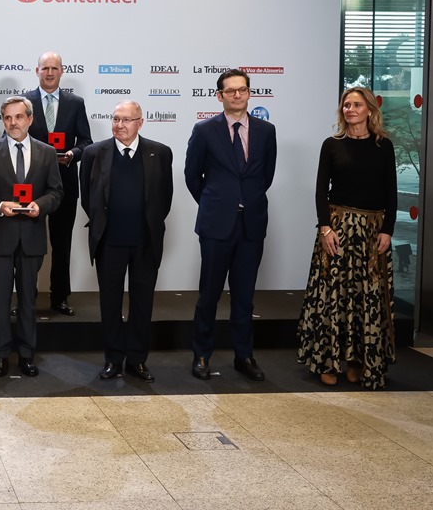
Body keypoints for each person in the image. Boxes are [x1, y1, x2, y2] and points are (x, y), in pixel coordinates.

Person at [297, 87, 397, 390]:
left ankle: (358, 361)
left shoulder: (384, 146)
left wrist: (387, 230)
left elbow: (391, 193)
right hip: (337, 229)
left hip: (371, 233)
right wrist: (324, 228)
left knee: (366, 297)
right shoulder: (332, 144)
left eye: (356, 104)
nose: (349, 109)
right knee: (332, 297)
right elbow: (319, 191)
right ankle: (328, 361)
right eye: (346, 104)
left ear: (369, 109)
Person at [185, 68, 277, 381]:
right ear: (219, 95)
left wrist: (244, 201)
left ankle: (244, 356)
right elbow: (191, 175)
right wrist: (215, 203)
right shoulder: (205, 130)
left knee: (244, 296)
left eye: (242, 90)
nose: (237, 95)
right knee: (208, 294)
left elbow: (266, 176)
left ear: (249, 93)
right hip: (216, 225)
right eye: (230, 91)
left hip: (251, 225)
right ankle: (201, 355)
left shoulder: (266, 131)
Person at [0, 96, 62, 377]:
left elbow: (56, 193)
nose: (13, 123)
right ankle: (0, 355)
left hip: (32, 237)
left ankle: (26, 355)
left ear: (30, 119)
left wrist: (40, 206)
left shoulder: (47, 152)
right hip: (0, 237)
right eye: (8, 118)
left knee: (27, 301)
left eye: (19, 117)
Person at [80, 100, 173, 383]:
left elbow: (164, 199)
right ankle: (113, 359)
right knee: (110, 304)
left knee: (142, 304)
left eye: (126, 120)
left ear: (140, 122)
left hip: (145, 242)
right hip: (110, 242)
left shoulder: (161, 153)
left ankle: (136, 360)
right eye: (115, 119)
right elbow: (87, 198)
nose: (119, 125)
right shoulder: (94, 153)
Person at [25, 51, 92, 316]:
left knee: (62, 244)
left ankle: (60, 297)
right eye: (45, 68)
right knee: (29, 244)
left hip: (64, 183)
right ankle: (26, 297)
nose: (50, 72)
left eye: (55, 68)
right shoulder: (25, 102)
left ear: (62, 71)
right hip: (31, 184)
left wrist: (72, 155)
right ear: (36, 70)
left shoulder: (75, 103)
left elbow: (86, 142)